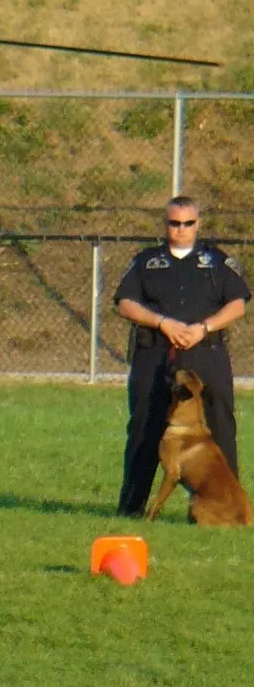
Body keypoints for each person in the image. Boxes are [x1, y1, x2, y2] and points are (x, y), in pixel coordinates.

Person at [114, 195, 247, 517]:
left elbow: (238, 302)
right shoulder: (147, 262)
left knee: (221, 427)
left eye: (188, 223)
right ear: (166, 224)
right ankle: (131, 509)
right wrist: (163, 323)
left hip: (206, 351)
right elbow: (125, 303)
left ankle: (225, 508)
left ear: (198, 224)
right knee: (145, 425)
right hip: (158, 352)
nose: (181, 229)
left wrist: (204, 327)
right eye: (175, 223)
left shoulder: (216, 262)